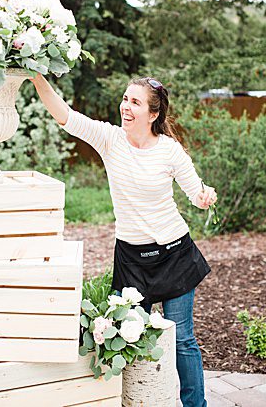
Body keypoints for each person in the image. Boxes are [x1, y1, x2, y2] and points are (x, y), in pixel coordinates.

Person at [31, 75, 216, 407]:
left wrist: (205, 196)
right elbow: (65, 116)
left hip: (174, 253)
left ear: (153, 114)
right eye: (125, 99)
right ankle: (137, 401)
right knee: (129, 336)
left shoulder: (169, 151)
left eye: (135, 102)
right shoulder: (109, 139)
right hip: (132, 259)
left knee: (183, 340)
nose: (126, 107)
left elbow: (195, 191)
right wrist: (36, 77)